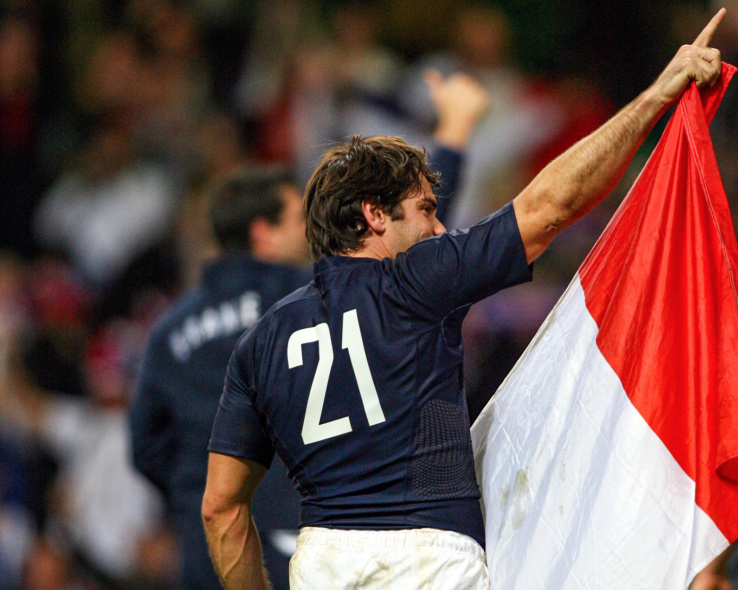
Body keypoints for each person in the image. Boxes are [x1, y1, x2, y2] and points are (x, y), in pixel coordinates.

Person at [201, 10, 726, 590]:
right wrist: (657, 96)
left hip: (321, 564)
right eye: (426, 210)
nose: (436, 229)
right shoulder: (415, 283)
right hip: (429, 563)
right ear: (374, 215)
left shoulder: (261, 342)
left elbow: (221, 510)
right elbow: (550, 206)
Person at [131, 72, 490, 590]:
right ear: (264, 234)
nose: (313, 231)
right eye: (296, 221)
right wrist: (454, 130)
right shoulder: (306, 302)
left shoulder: (167, 331)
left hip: (215, 549)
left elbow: (146, 448)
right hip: (307, 539)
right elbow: (414, 249)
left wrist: (192, 488)